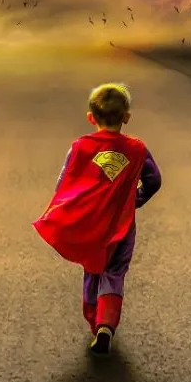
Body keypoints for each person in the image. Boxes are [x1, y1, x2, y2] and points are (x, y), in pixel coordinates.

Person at [32, 82, 161, 355]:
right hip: (122, 226)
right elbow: (154, 180)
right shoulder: (137, 149)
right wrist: (133, 200)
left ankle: (94, 323)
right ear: (126, 116)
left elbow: (62, 184)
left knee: (92, 268)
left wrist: (67, 209)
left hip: (90, 224)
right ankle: (106, 325)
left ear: (91, 118)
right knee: (114, 273)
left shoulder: (80, 147)